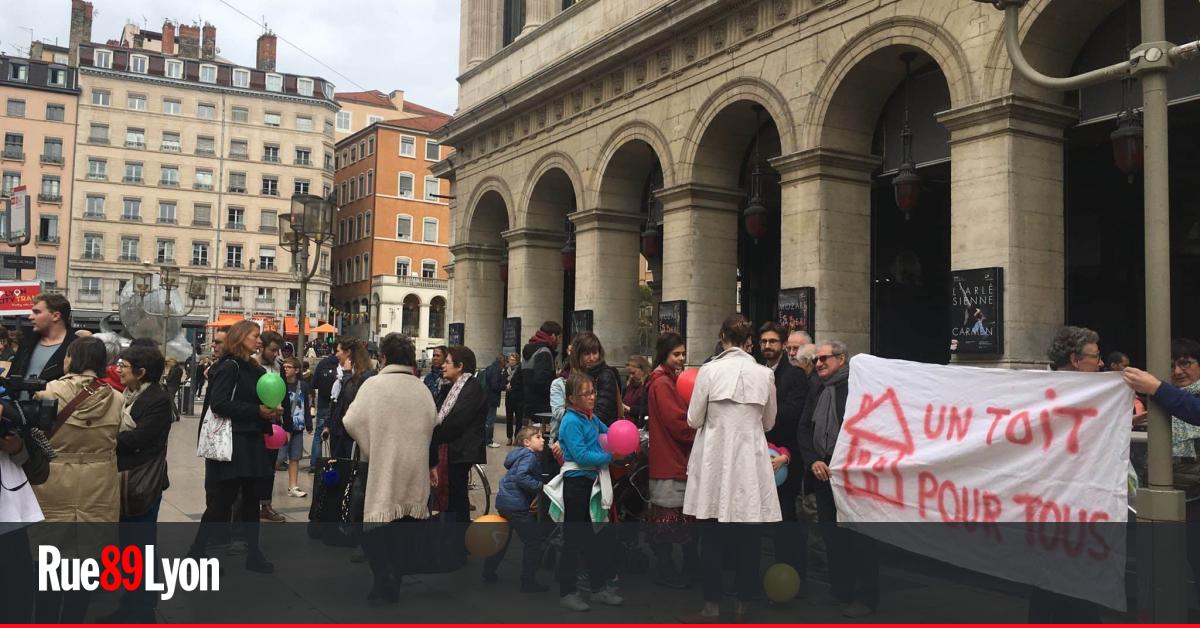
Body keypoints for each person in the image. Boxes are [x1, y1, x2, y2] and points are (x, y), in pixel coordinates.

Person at [682, 315, 780, 622]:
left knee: (710, 535)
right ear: (749, 340)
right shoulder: (764, 374)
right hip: (749, 461)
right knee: (748, 537)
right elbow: (769, 422)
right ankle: (743, 602)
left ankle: (711, 603)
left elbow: (693, 419)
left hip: (715, 458)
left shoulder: (709, 371)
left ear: (723, 335)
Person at [31, 336, 124, 623]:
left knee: (49, 564)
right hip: (98, 486)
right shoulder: (117, 398)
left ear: (72, 359)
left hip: (54, 481)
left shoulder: (48, 392)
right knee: (86, 563)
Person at [343, 333, 439, 603]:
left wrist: (373, 444)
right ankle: (394, 575)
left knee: (370, 525)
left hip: (378, 467)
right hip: (412, 468)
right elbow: (433, 423)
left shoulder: (374, 385)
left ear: (384, 357)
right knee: (403, 529)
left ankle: (382, 574)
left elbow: (351, 420)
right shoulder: (421, 388)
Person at [187, 320, 278, 574]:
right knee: (222, 501)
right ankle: (196, 551)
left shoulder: (256, 369)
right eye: (254, 336)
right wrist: (256, 411)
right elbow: (219, 404)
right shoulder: (229, 367)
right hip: (232, 442)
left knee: (251, 500)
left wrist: (272, 410)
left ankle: (254, 553)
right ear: (240, 338)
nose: (259, 341)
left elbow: (263, 397)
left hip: (251, 440)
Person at [797, 339, 878, 618]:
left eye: (824, 359)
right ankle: (839, 589)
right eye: (817, 359)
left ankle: (865, 596)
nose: (818, 363)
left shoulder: (857, 388)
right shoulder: (817, 388)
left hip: (853, 476)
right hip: (824, 473)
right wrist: (813, 460)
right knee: (831, 534)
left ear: (841, 359)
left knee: (858, 537)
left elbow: (868, 429)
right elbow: (804, 428)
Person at [1029, 326, 1105, 622]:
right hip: (1063, 505)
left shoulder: (1046, 390)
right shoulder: (1048, 392)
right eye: (1095, 357)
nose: (1100, 364)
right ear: (1075, 359)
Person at [102, 343, 173, 623]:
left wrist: (103, 439)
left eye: (125, 366)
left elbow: (139, 439)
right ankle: (131, 602)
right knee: (129, 546)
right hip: (124, 478)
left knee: (140, 546)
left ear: (141, 372)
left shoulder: (157, 399)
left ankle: (143, 609)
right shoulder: (129, 394)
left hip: (143, 481)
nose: (119, 369)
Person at [554, 372, 623, 611]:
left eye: (593, 392)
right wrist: (611, 457)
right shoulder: (571, 421)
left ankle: (597, 588)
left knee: (597, 538)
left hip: (592, 481)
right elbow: (582, 455)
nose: (592, 397)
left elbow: (609, 433)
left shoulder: (591, 418)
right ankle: (567, 591)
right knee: (574, 539)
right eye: (586, 393)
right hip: (577, 484)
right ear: (572, 397)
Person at [758, 321, 810, 587]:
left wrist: (762, 413)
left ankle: (793, 575)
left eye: (773, 342)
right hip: (760, 455)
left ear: (782, 345)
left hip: (785, 459)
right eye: (764, 342)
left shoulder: (795, 375)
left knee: (785, 519)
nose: (768, 346)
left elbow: (792, 415)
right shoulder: (758, 372)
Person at [646, 332, 697, 589]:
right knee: (670, 522)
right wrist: (698, 429)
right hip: (671, 460)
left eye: (683, 354)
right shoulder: (662, 384)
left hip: (670, 459)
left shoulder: (666, 380)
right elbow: (677, 423)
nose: (681, 359)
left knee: (673, 521)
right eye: (676, 354)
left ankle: (674, 569)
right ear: (665, 354)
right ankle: (668, 570)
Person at [483, 425, 549, 591]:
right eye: (538, 437)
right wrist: (540, 486)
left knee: (502, 538)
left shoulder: (518, 455)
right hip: (516, 505)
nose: (543, 439)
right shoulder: (530, 456)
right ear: (527, 442)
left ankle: (488, 570)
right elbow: (521, 476)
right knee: (533, 541)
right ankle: (528, 582)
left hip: (505, 502)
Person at [430, 346, 488, 526]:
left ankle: (458, 543)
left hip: (461, 451)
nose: (443, 366)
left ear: (460, 366)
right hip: (454, 450)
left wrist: (435, 435)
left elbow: (456, 421)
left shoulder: (471, 388)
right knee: (453, 497)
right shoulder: (453, 387)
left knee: (457, 497)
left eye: (447, 362)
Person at [9, 294, 76, 382]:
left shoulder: (77, 348)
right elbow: (10, 379)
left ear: (56, 316)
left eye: (37, 312)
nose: (30, 317)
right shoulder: (27, 343)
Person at [324, 337, 372, 459]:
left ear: (348, 352)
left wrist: (347, 375)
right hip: (337, 430)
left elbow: (350, 396)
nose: (336, 354)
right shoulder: (340, 372)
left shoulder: (365, 374)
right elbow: (334, 401)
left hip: (350, 434)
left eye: (338, 351)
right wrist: (327, 425)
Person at [256, 330, 286, 522]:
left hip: (274, 423)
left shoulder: (278, 367)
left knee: (269, 468)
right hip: (256, 422)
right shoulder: (252, 365)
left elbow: (282, 393)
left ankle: (266, 505)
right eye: (273, 350)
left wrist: (286, 423)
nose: (276, 354)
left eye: (278, 351)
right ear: (262, 347)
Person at [521, 321, 563, 432]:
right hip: (542, 407)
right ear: (553, 336)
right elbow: (541, 380)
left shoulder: (529, 350)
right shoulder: (544, 352)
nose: (559, 341)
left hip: (529, 404)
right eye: (559, 337)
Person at [570, 332, 619, 425]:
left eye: (595, 353)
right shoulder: (576, 375)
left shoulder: (605, 375)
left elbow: (603, 412)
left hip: (598, 431)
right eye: (587, 354)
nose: (592, 358)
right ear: (577, 355)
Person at [281, 357, 312, 498]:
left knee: (295, 457)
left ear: (297, 370)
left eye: (289, 367)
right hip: (282, 428)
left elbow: (306, 405)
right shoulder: (280, 385)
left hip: (298, 426)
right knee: (279, 457)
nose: (285, 369)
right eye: (284, 366)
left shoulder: (303, 386)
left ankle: (293, 486)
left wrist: (309, 423)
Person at [309, 340, 342, 472]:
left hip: (323, 403)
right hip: (338, 404)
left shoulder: (323, 363)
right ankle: (335, 463)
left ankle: (314, 464)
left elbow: (314, 383)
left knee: (319, 434)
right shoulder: (344, 364)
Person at [482, 354, 505, 448]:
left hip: (486, 397)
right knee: (490, 420)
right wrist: (504, 386)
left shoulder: (489, 368)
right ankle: (489, 441)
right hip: (492, 398)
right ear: (502, 361)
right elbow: (495, 385)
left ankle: (484, 439)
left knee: (486, 420)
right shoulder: (496, 370)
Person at [623, 355, 651, 427]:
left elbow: (650, 409)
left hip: (641, 424)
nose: (631, 376)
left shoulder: (649, 385)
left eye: (633, 373)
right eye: (629, 373)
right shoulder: (629, 386)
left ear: (642, 370)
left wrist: (631, 409)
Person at [504, 352, 522, 445]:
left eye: (513, 360)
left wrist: (512, 386)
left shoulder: (520, 369)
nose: (511, 362)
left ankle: (517, 438)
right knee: (509, 419)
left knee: (519, 419)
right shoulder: (506, 370)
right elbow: (502, 380)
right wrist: (505, 386)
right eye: (510, 359)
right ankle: (509, 437)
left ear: (517, 361)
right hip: (509, 398)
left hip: (518, 398)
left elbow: (521, 383)